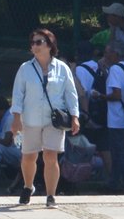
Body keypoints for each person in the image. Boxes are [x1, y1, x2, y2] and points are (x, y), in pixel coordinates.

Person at [12, 28, 80, 207]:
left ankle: (51, 195)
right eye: (32, 43)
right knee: (29, 157)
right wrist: (16, 118)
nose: (34, 46)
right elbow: (18, 94)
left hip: (54, 120)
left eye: (39, 42)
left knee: (50, 156)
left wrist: (75, 116)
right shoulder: (25, 68)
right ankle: (28, 186)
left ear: (50, 45)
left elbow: (70, 93)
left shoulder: (62, 68)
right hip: (31, 118)